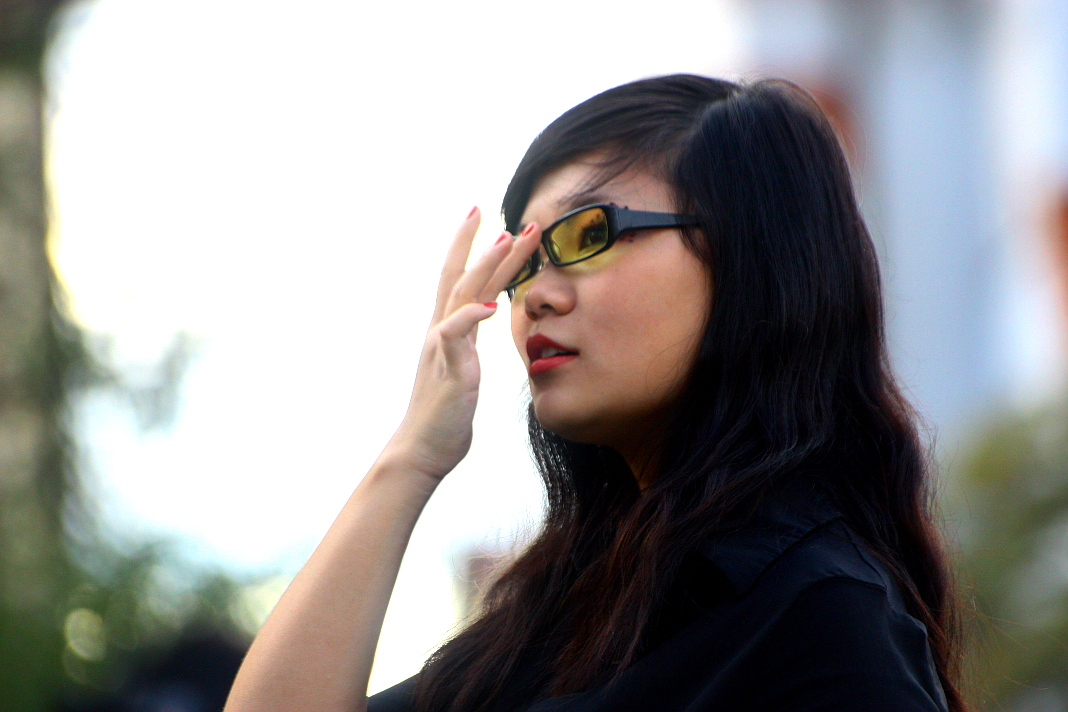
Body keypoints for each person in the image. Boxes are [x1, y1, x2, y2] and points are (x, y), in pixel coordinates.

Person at [224, 75, 966, 712]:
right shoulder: (560, 620)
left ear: (750, 256)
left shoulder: (823, 617)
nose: (535, 296)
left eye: (587, 236)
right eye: (521, 261)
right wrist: (412, 457)